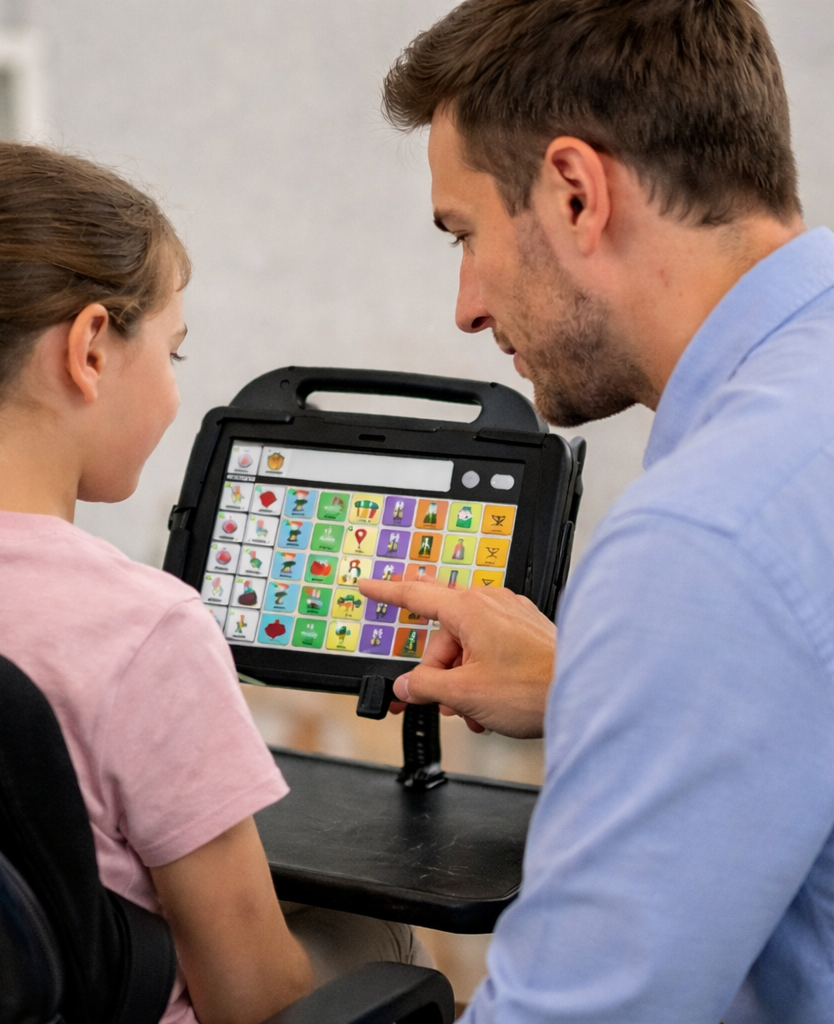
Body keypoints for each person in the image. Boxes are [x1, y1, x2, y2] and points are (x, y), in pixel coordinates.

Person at [0, 143, 425, 1024]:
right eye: (174, 352)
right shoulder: (145, 630)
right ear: (92, 346)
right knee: (371, 941)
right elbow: (250, 997)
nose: (176, 394)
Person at [358, 2, 834, 1022]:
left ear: (575, 193)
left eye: (467, 235)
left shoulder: (700, 542)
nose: (467, 306)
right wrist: (597, 686)